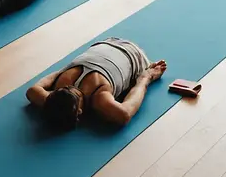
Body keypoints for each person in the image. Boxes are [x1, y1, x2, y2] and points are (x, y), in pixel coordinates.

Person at [25, 38, 166, 129]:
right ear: (79, 111)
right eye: (74, 93)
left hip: (115, 47)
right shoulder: (100, 96)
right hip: (123, 50)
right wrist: (145, 78)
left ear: (49, 96)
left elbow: (32, 90)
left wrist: (145, 78)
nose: (70, 87)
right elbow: (125, 113)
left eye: (64, 89)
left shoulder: (55, 95)